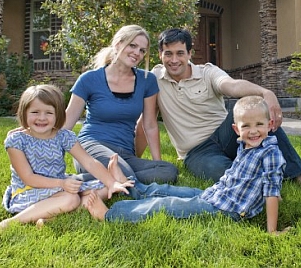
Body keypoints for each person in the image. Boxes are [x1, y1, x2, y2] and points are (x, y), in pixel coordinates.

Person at [136, 27, 301, 193]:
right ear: (160, 55)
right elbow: (146, 123)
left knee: (260, 113)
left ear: (189, 54)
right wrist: (139, 161)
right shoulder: (154, 80)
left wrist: (265, 92)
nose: (174, 60)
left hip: (228, 133)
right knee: (225, 175)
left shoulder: (207, 72)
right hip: (196, 152)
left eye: (180, 53)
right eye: (168, 54)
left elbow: (233, 86)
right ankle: (258, 177)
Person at [86, 96, 290, 234]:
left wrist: (272, 231)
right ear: (236, 129)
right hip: (218, 194)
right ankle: (132, 187)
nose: (253, 131)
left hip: (228, 209)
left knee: (167, 205)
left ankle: (110, 215)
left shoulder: (270, 154)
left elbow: (271, 193)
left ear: (270, 125)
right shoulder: (246, 144)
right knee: (168, 190)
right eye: (247, 126)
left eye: (260, 125)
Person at [0, 84, 133, 231]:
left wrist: (111, 183)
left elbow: (89, 162)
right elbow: (28, 178)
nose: (41, 118)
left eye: (49, 113)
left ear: (58, 114)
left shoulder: (63, 136)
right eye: (35, 112)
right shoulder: (16, 141)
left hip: (59, 188)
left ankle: (50, 218)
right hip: (29, 191)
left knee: (104, 188)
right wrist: (61, 183)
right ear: (24, 113)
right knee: (72, 198)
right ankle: (13, 221)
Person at [64, 25, 178, 184]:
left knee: (168, 171)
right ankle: (113, 179)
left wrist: (157, 163)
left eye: (142, 50)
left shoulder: (147, 80)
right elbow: (66, 124)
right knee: (122, 171)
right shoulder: (89, 79)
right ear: (117, 44)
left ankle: (85, 181)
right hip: (91, 146)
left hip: (125, 153)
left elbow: (150, 125)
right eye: (133, 45)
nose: (137, 53)